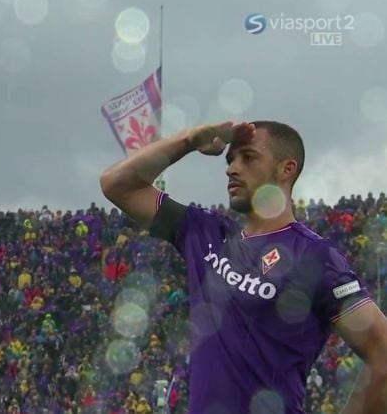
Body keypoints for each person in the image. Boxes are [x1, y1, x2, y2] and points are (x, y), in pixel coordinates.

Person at [100, 120, 387, 413]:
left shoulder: (315, 257)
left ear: (286, 169)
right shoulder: (205, 233)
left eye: (248, 157)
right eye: (230, 159)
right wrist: (187, 140)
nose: (231, 168)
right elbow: (117, 185)